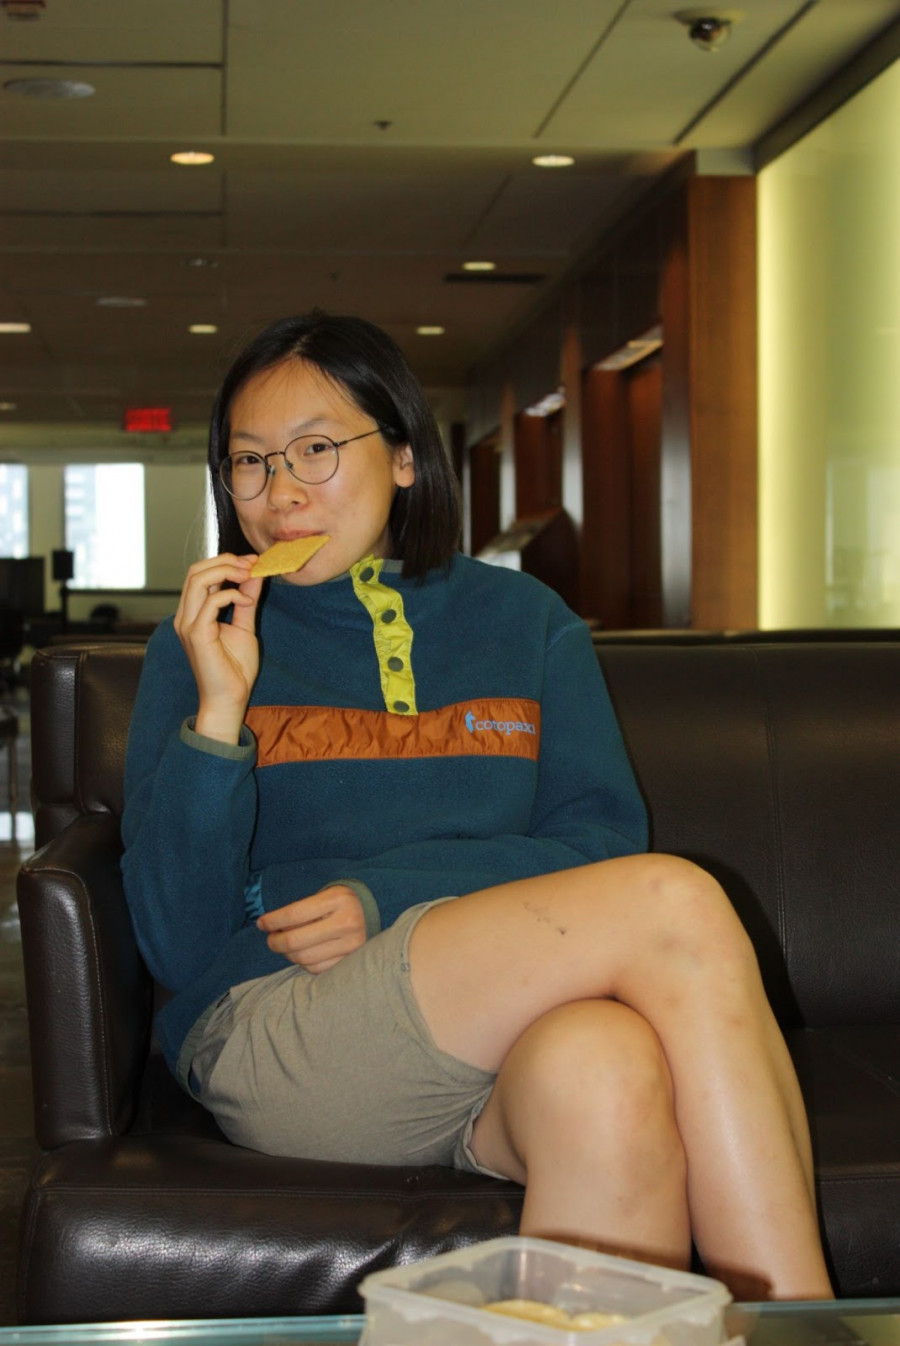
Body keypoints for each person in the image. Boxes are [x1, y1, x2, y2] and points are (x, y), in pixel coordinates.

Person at [121, 310, 833, 1303]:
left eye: (316, 449)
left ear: (404, 456)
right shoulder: (200, 643)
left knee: (608, 1065)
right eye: (250, 461)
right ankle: (802, 1323)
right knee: (674, 901)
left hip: (501, 1044)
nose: (280, 492)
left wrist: (387, 896)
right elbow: (177, 944)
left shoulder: (526, 621)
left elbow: (599, 840)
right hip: (288, 1030)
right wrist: (219, 708)